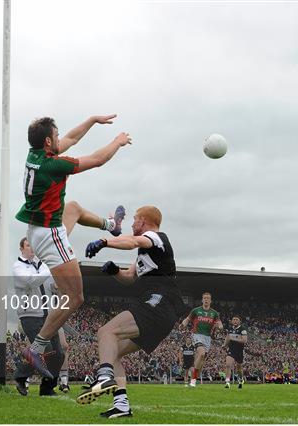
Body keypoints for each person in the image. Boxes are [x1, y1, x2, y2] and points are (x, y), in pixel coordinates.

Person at [15, 115, 131, 376]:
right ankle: (36, 348)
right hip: (49, 235)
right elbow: (98, 160)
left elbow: (71, 138)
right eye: (56, 136)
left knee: (74, 208)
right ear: (48, 141)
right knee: (75, 296)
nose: (60, 139)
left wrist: (92, 120)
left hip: (39, 229)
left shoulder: (34, 154)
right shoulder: (53, 165)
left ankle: (111, 225)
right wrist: (118, 141)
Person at [76, 206, 185, 418]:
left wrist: (104, 242)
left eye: (135, 220)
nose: (132, 224)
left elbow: (134, 241)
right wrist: (114, 271)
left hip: (158, 302)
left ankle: (104, 376)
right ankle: (121, 404)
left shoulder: (155, 237)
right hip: (162, 310)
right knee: (112, 350)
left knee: (106, 332)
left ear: (143, 222)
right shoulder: (144, 256)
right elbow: (129, 278)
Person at [12, 237, 64, 396]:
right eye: (28, 246)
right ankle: (20, 375)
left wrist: (57, 286)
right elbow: (33, 282)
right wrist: (51, 267)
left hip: (48, 315)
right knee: (45, 352)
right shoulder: (18, 267)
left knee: (59, 354)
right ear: (21, 248)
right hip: (31, 316)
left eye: (33, 245)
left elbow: (49, 287)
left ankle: (47, 387)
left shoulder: (42, 266)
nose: (31, 248)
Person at [178, 292, 223, 387]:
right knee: (201, 353)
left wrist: (220, 327)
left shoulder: (214, 313)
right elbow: (187, 319)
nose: (206, 299)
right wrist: (182, 324)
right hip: (197, 335)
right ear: (202, 300)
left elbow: (220, 324)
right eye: (204, 298)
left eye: (208, 298)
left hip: (208, 338)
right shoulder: (196, 310)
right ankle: (193, 377)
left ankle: (193, 377)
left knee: (202, 361)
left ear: (210, 301)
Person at [223, 315, 247, 389]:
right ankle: (227, 382)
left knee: (239, 368)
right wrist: (224, 345)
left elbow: (244, 340)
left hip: (239, 351)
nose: (235, 321)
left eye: (236, 320)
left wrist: (233, 338)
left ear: (240, 321)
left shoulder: (242, 329)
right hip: (231, 350)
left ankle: (240, 379)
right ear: (231, 321)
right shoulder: (230, 329)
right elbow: (227, 338)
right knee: (228, 365)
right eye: (234, 319)